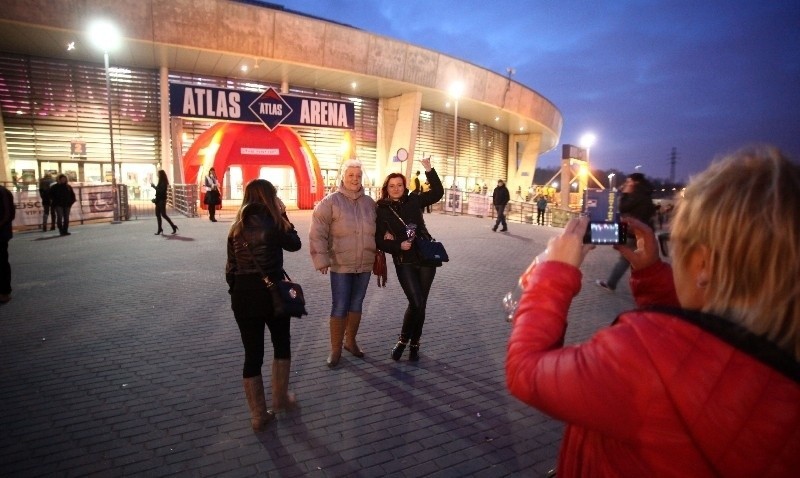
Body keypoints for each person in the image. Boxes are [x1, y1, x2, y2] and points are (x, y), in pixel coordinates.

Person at [506, 146, 800, 476]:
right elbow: (703, 342)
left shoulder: (645, 356)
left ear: (703, 265)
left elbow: (525, 371)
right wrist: (652, 277)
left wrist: (555, 274)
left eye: (676, 244)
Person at [226, 179, 302, 431]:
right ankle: (280, 399)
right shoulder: (274, 221)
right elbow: (295, 244)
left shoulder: (236, 226)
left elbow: (230, 267)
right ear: (270, 196)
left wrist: (235, 291)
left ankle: (258, 415)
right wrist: (284, 214)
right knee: (281, 343)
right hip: (272, 294)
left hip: (243, 295)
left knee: (252, 354)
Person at [309, 159, 377, 367]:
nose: (355, 179)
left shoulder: (370, 203)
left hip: (365, 263)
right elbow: (317, 232)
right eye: (351, 175)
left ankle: (351, 342)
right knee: (340, 306)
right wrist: (321, 259)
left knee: (356, 305)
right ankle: (336, 348)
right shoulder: (330, 202)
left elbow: (381, 229)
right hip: (340, 264)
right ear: (343, 177)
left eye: (358, 176)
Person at [375, 157, 444, 361]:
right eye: (391, 186)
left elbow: (438, 193)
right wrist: (397, 245)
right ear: (386, 189)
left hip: (425, 257)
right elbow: (378, 240)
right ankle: (403, 340)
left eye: (399, 185)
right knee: (415, 301)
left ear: (405, 186)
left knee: (420, 303)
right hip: (404, 259)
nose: (396, 189)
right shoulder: (381, 210)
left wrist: (429, 170)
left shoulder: (414, 199)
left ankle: (415, 343)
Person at [595, 172, 655, 291]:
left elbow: (622, 208)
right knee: (636, 259)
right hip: (643, 232)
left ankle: (611, 283)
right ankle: (640, 285)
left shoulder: (635, 194)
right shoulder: (647, 194)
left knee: (625, 259)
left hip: (631, 231)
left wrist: (624, 194)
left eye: (628, 181)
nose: (626, 183)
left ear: (634, 182)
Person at [150, 170, 178, 235]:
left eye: (158, 174)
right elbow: (159, 190)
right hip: (158, 200)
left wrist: (154, 186)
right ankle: (160, 228)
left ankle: (173, 226)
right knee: (157, 214)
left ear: (161, 174)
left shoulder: (163, 182)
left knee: (163, 215)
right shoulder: (160, 181)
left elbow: (161, 191)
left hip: (162, 200)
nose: (157, 175)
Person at [0, 184, 14, 304]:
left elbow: (8, 214)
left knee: (2, 263)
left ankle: (4, 292)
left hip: (1, 234)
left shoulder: (3, 192)